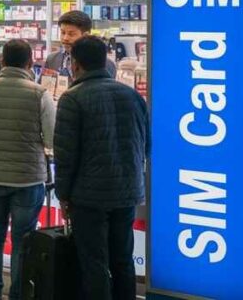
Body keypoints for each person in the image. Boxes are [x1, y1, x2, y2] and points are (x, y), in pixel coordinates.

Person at [54, 36, 149, 300]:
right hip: (127, 191)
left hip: (88, 196)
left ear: (75, 64)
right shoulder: (131, 95)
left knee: (94, 263)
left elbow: (65, 155)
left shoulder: (72, 98)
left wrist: (63, 195)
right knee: (123, 260)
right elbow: (147, 144)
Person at [0, 39, 56, 300]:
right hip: (28, 179)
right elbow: (51, 139)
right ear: (30, 63)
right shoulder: (39, 93)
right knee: (22, 241)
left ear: (2, 61)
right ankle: (18, 293)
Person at [45, 11, 117, 82]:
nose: (65, 38)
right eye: (63, 33)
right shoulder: (52, 59)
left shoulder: (104, 63)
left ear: (86, 35)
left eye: (71, 34)